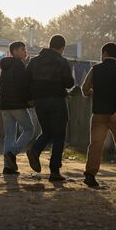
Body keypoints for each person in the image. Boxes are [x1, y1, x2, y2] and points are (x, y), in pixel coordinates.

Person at [81, 42, 116, 188]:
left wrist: (91, 93)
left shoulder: (95, 69)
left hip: (98, 114)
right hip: (115, 115)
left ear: (104, 53)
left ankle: (90, 174)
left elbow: (84, 88)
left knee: (96, 145)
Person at [24, 35, 74, 181]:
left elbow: (26, 81)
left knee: (47, 131)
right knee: (59, 136)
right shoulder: (62, 61)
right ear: (62, 48)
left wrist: (29, 99)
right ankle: (54, 171)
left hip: (39, 102)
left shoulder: (34, 61)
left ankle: (35, 150)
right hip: (57, 101)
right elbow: (69, 83)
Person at [0, 41, 35, 175]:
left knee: (9, 136)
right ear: (14, 51)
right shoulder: (19, 65)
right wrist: (29, 100)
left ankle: (8, 167)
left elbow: (0, 87)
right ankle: (12, 154)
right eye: (22, 49)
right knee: (29, 129)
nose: (24, 51)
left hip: (5, 106)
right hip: (17, 105)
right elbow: (23, 86)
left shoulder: (6, 66)